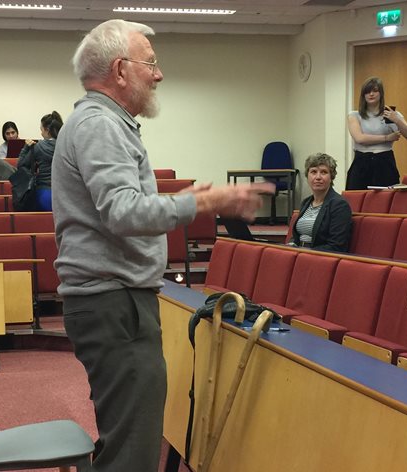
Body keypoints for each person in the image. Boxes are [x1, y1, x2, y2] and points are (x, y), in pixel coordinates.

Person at [52, 19, 273, 472]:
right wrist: (203, 202)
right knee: (133, 450)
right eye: (150, 63)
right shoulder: (99, 125)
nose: (158, 74)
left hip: (113, 302)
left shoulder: (104, 123)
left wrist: (189, 200)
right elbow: (124, 212)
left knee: (126, 438)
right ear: (120, 69)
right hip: (114, 304)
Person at [346, 76, 407, 190]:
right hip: (361, 161)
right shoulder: (355, 115)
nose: (371, 94)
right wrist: (387, 138)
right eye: (367, 92)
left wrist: (397, 120)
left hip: (385, 161)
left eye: (375, 91)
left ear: (381, 93)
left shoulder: (391, 114)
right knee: (355, 200)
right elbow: (359, 138)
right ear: (363, 95)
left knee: (385, 201)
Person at [290, 153, 352, 252]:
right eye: (313, 172)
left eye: (323, 172)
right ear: (307, 175)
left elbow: (337, 246)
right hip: (299, 254)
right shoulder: (306, 202)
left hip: (320, 258)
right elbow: (296, 237)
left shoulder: (339, 205)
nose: (318, 177)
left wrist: (306, 253)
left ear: (331, 177)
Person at [17, 111, 62, 211]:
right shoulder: (66, 145)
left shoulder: (39, 146)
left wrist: (26, 148)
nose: (41, 133)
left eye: (41, 129)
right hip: (64, 194)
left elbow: (21, 166)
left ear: (47, 130)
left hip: (44, 193)